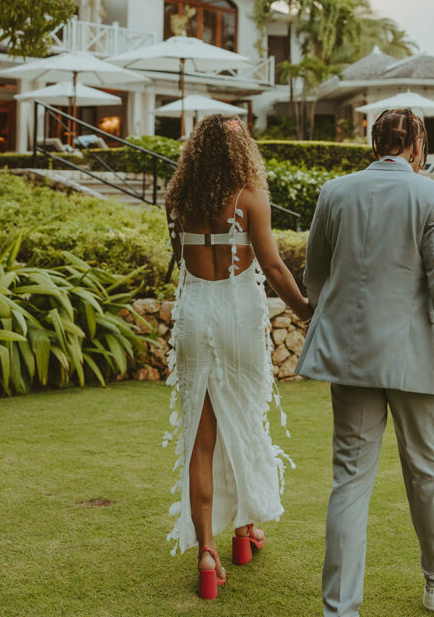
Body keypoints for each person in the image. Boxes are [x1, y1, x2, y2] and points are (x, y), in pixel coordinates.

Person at [296, 107, 434, 615]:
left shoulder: (335, 192)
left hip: (351, 356)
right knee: (424, 470)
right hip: (412, 360)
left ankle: (340, 609)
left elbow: (315, 273)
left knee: (350, 480)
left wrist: (327, 320)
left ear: (373, 143)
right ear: (418, 147)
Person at [163, 114, 313, 600]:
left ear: (197, 151)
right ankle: (244, 533)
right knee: (246, 421)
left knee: (200, 438)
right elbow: (271, 265)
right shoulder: (251, 198)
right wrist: (306, 310)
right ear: (240, 151)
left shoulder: (178, 201)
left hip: (193, 313)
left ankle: (208, 552)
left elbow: (178, 262)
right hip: (238, 316)